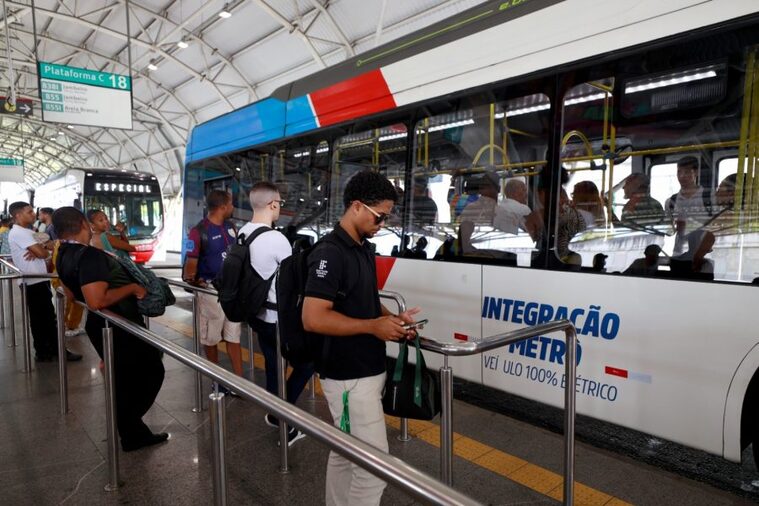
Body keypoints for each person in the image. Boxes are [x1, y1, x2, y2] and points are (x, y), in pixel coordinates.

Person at [302, 170, 420, 506]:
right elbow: (313, 317)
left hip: (366, 368)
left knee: (344, 454)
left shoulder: (363, 248)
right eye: (380, 216)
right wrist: (373, 327)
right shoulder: (330, 252)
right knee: (374, 467)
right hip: (348, 373)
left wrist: (390, 319)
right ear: (357, 206)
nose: (382, 224)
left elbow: (364, 299)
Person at [54, 206, 167, 451]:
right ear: (85, 224)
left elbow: (71, 295)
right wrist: (133, 289)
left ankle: (132, 432)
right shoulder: (90, 256)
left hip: (99, 325)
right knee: (153, 369)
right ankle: (129, 426)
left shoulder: (62, 252)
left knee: (124, 379)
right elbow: (96, 301)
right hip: (117, 323)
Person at [240, 182, 313, 445]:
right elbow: (290, 283)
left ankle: (274, 413)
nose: (280, 207)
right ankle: (284, 419)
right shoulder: (276, 239)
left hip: (257, 316)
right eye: (280, 203)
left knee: (273, 365)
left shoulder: (242, 233)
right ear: (273, 204)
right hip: (277, 319)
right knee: (307, 362)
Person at [7, 201, 82, 362]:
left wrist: (42, 249)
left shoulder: (26, 232)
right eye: (29, 211)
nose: (33, 214)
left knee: (45, 318)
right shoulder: (20, 233)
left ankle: (49, 350)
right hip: (33, 281)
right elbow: (42, 253)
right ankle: (47, 351)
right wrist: (42, 251)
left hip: (38, 280)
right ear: (18, 215)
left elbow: (46, 247)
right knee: (42, 319)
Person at [183, 190, 244, 379]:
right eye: (231, 204)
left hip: (232, 291)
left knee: (233, 336)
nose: (233, 207)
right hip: (211, 292)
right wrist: (196, 280)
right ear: (223, 207)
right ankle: (215, 378)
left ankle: (239, 381)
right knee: (211, 338)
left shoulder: (231, 227)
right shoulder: (198, 232)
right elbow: (188, 271)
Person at [665, 157, 713, 255]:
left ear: (696, 173)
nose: (682, 176)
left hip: (705, 252)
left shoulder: (710, 197)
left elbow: (719, 225)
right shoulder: (670, 202)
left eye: (687, 172)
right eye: (679, 172)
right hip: (679, 252)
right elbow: (669, 230)